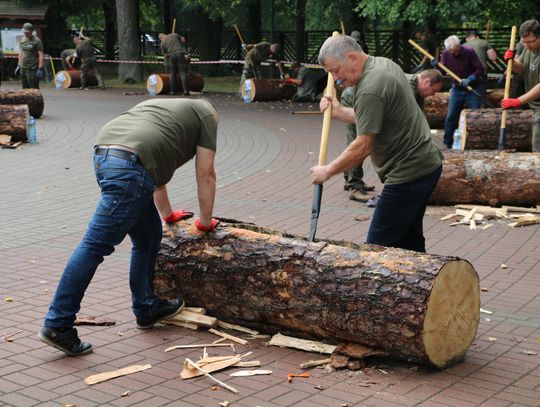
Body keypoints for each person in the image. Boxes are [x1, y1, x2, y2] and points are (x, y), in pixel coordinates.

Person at [38, 98, 220, 356]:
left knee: (149, 237)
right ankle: (57, 325)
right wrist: (205, 222)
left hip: (106, 154)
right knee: (94, 246)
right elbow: (206, 174)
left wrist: (168, 215)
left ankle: (147, 308)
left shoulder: (166, 110)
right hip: (131, 169)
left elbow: (153, 168)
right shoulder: (207, 116)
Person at [312, 35, 443, 252]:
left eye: (336, 70)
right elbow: (373, 116)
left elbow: (364, 145)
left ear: (352, 57)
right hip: (424, 166)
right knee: (408, 241)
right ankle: (422, 282)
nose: (335, 78)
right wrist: (338, 112)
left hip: (409, 173)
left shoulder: (369, 88)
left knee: (376, 247)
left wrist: (327, 170)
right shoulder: (384, 64)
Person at [338, 69, 444, 203]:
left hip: (367, 99)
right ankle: (355, 186)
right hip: (355, 98)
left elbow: (418, 118)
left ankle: (350, 179)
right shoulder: (407, 87)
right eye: (433, 91)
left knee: (362, 141)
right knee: (361, 142)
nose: (432, 95)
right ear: (427, 82)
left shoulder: (416, 90)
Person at [502, 19, 540, 152]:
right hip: (535, 105)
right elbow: (521, 68)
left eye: (531, 41)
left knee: (538, 145)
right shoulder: (528, 48)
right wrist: (511, 61)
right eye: (524, 42)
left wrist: (518, 101)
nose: (527, 45)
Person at [440, 35, 484, 148]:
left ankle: (476, 144)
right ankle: (447, 143)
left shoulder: (469, 51)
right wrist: (437, 66)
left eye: (457, 50)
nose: (455, 53)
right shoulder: (446, 54)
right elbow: (442, 71)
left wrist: (470, 79)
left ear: (459, 46)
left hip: (473, 87)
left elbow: (480, 69)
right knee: (451, 116)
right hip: (457, 88)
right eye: (452, 51)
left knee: (475, 116)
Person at [16, 23, 44, 89]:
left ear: (31, 31)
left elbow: (41, 54)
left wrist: (40, 68)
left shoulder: (37, 41)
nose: (26, 34)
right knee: (25, 89)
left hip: (32, 69)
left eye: (27, 32)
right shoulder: (22, 40)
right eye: (24, 32)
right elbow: (21, 52)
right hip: (23, 68)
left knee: (34, 89)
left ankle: (37, 99)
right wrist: (18, 65)